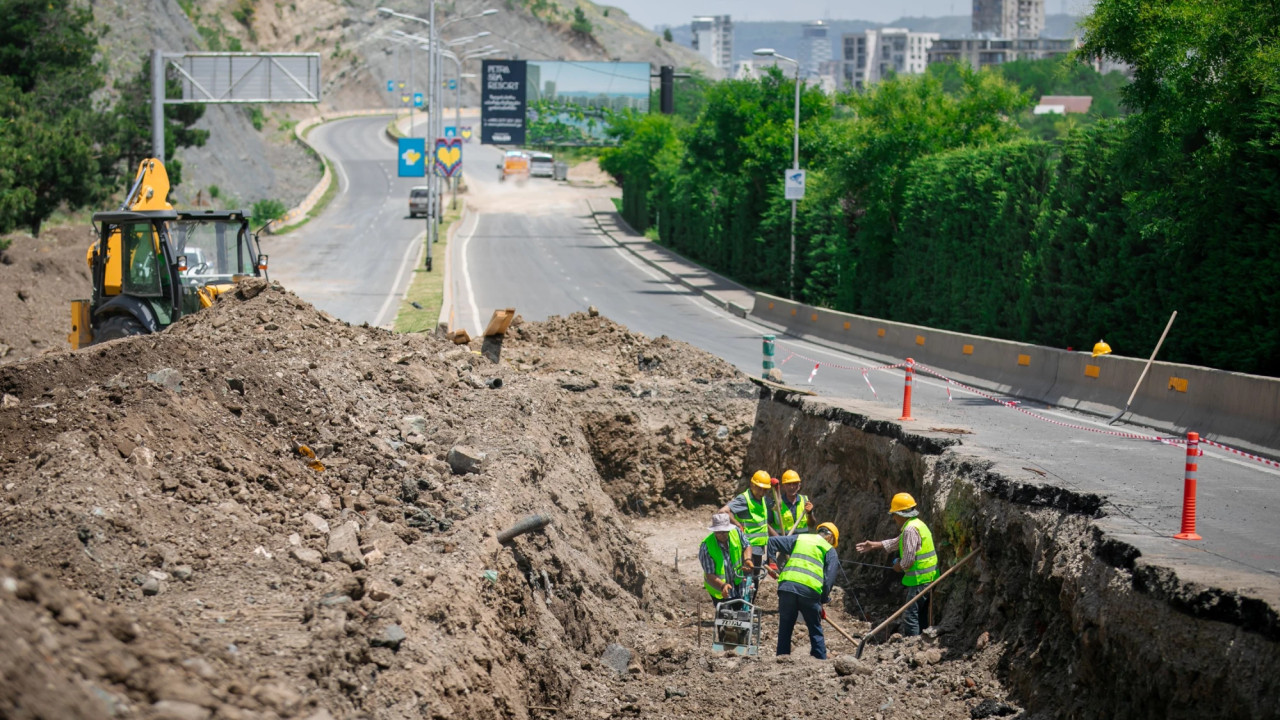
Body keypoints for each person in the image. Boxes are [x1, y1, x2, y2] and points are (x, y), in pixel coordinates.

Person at [855, 492, 939, 636]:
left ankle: (912, 643)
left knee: (910, 613)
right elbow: (898, 542)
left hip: (920, 579)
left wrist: (898, 566)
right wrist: (874, 545)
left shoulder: (909, 529)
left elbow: (908, 561)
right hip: (930, 577)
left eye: (894, 514)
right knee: (921, 612)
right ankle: (922, 640)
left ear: (901, 514)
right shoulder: (917, 524)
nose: (893, 518)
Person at [766, 522, 840, 660]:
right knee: (814, 628)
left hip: (787, 586)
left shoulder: (801, 538)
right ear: (831, 538)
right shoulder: (830, 550)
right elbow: (829, 580)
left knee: (785, 627)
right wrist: (822, 599)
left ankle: (782, 658)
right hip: (810, 591)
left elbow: (772, 541)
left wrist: (772, 564)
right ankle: (819, 659)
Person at [718, 470, 776, 571]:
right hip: (746, 547)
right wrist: (738, 525)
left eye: (765, 490)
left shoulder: (762, 499)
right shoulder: (744, 499)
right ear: (752, 485)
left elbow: (767, 519)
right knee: (747, 578)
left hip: (758, 548)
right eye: (759, 488)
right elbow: (723, 511)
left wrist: (779, 539)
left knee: (754, 578)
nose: (762, 492)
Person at [698, 512, 752, 606]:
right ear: (714, 531)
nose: (722, 534)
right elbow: (709, 574)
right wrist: (723, 585)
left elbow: (747, 545)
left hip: (737, 581)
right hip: (718, 587)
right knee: (724, 615)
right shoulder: (706, 546)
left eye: (725, 531)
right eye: (719, 532)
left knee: (740, 611)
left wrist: (747, 559)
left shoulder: (736, 532)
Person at [770, 469, 814, 536]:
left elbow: (812, 524)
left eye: (795, 484)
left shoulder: (805, 501)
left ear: (799, 486)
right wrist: (779, 539)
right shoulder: (776, 504)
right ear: (784, 486)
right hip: (783, 543)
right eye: (788, 484)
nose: (792, 487)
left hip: (801, 542)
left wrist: (810, 514)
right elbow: (767, 525)